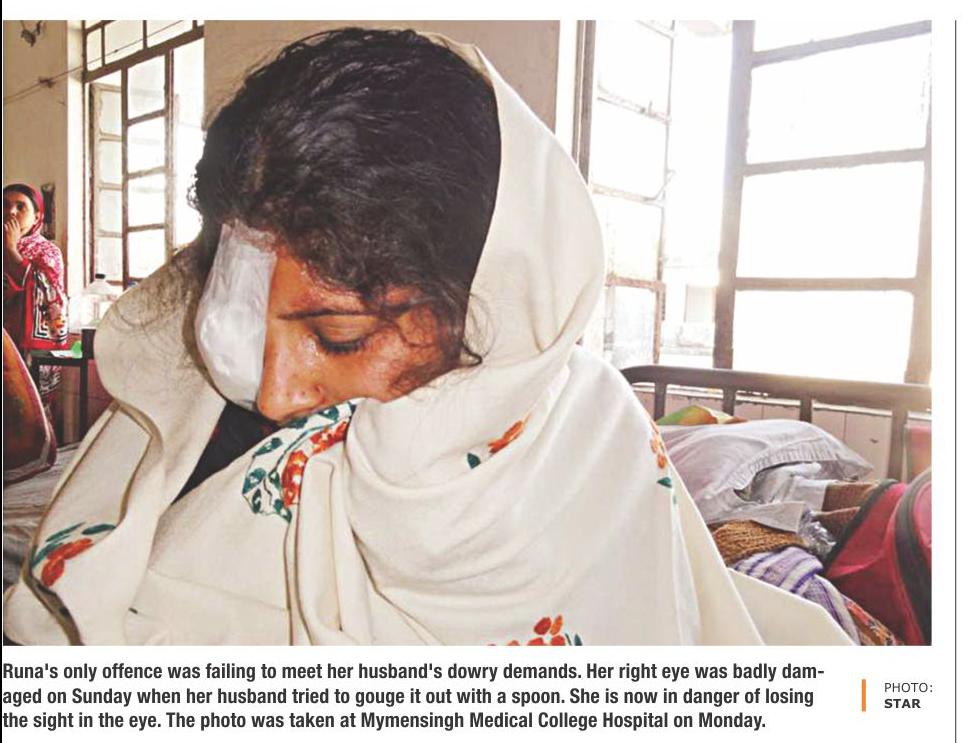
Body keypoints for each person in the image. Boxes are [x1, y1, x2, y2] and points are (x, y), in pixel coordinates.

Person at [2, 29, 850, 645]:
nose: (274, 392)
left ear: (481, 301)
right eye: (247, 318)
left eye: (339, 335)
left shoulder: (590, 445)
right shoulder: (201, 401)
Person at [2, 183, 69, 409]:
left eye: (20, 207)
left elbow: (44, 291)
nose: (11, 212)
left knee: (29, 413)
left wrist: (10, 250)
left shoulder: (47, 252)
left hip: (29, 351)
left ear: (37, 217)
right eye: (5, 205)